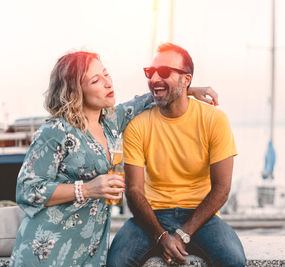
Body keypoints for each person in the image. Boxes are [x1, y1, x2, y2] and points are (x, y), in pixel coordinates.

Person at [9, 51, 217, 266]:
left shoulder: (109, 123)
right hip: (46, 252)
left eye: (106, 74)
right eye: (96, 80)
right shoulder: (56, 130)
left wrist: (187, 89)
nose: (108, 83)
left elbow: (143, 101)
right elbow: (26, 190)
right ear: (75, 91)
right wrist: (86, 189)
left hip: (88, 253)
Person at [107, 43, 246, 267]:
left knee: (234, 260)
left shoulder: (214, 120)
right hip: (150, 216)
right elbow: (133, 191)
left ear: (186, 79)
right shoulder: (137, 125)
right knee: (117, 261)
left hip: (201, 216)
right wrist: (160, 236)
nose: (154, 79)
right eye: (150, 73)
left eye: (163, 72)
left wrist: (183, 233)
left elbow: (221, 189)